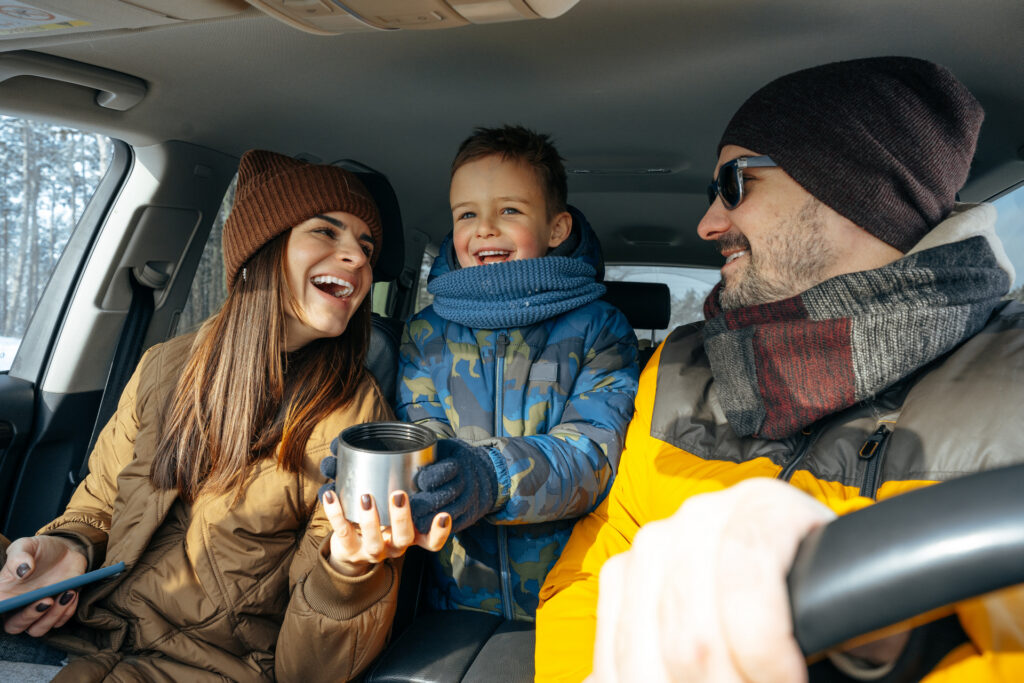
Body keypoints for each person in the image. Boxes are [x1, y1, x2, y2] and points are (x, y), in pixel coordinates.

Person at [535, 57, 1024, 681]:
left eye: (734, 184)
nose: (708, 222)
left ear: (850, 185)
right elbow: (592, 575)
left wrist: (887, 647)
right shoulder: (680, 366)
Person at [0, 150, 450, 682]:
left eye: (366, 244)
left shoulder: (355, 419)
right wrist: (69, 545)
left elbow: (310, 674)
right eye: (327, 232)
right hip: (85, 634)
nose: (356, 255)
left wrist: (348, 572)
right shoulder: (164, 367)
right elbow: (101, 499)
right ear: (262, 247)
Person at [396, 125, 639, 620]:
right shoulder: (425, 333)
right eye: (467, 214)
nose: (485, 228)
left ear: (556, 229)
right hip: (453, 597)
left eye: (509, 210)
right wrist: (380, 475)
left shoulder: (599, 328)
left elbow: (595, 453)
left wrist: (489, 475)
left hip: (572, 596)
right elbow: (421, 435)